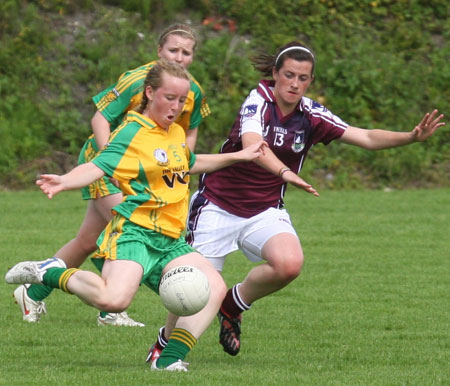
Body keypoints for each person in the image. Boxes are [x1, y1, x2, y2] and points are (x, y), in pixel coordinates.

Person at [144, 41, 445, 363]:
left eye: (303, 78)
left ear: (310, 81)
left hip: (264, 209)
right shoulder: (258, 100)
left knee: (289, 264)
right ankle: (164, 346)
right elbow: (253, 144)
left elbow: (366, 136)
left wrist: (410, 137)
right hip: (217, 205)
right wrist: (285, 172)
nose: (295, 83)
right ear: (275, 74)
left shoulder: (311, 115)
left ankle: (233, 304)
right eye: (288, 75)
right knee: (194, 288)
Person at [5, 60, 266, 372]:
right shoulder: (131, 132)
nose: (176, 106)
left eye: (182, 101)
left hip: (170, 240)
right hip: (135, 233)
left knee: (213, 288)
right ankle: (49, 272)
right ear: (150, 92)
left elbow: (189, 162)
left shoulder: (174, 132)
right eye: (169, 98)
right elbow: (97, 166)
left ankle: (166, 359)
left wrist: (238, 156)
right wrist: (65, 180)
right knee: (113, 301)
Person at [13, 23, 210, 326]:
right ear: (159, 51)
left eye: (187, 52)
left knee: (89, 240)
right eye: (174, 50)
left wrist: (178, 167)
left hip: (144, 167)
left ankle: (34, 291)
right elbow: (100, 118)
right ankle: (111, 306)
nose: (180, 57)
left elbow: (189, 131)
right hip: (105, 162)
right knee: (129, 224)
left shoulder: (191, 89)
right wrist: (116, 165)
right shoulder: (138, 79)